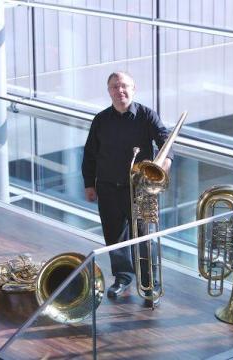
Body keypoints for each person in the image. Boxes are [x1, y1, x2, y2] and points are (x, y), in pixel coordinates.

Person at [82, 72, 172, 307]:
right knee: (115, 237)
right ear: (109, 91)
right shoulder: (101, 120)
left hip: (140, 189)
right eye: (114, 87)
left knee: (145, 237)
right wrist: (89, 184)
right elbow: (90, 154)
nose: (119, 91)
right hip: (108, 188)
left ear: (133, 89)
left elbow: (165, 141)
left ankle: (150, 284)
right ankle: (123, 278)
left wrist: (165, 162)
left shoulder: (147, 115)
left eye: (124, 86)